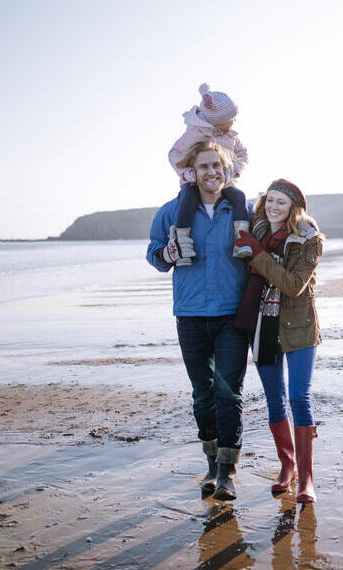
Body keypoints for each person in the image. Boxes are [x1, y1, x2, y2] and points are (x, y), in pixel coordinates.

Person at [147, 139, 250, 501]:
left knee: (228, 394)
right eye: (204, 166)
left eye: (216, 166)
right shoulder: (171, 212)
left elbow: (272, 233)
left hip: (231, 316)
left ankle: (227, 473)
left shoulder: (241, 210)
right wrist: (168, 252)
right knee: (203, 396)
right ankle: (211, 464)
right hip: (190, 316)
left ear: (226, 170)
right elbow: (154, 255)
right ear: (192, 172)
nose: (211, 172)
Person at [233, 179, 322, 503]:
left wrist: (257, 255)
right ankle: (287, 466)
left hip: (299, 325)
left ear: (293, 208)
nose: (273, 207)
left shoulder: (308, 239)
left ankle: (306, 478)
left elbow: (293, 285)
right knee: (274, 399)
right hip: (263, 324)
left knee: (299, 398)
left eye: (280, 202)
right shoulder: (255, 231)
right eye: (269, 200)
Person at [167, 83, 251, 265]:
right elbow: (174, 154)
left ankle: (241, 240)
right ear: (217, 122)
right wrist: (186, 173)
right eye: (231, 118)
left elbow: (243, 154)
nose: (234, 121)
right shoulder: (194, 134)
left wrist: (234, 169)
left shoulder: (232, 136)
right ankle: (182, 242)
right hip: (194, 182)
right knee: (188, 199)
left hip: (225, 182)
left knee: (239, 197)